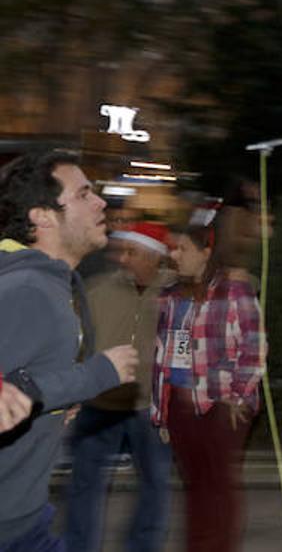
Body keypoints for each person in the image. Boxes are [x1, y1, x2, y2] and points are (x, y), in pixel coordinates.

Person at [0, 150, 137, 550]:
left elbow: (20, 384)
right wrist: (96, 375)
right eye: (83, 195)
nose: (100, 202)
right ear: (41, 216)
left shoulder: (47, 285)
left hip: (24, 519)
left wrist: (58, 400)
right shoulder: (26, 290)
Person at [150, 220, 266, 552]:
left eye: (182, 248)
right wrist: (162, 409)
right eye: (172, 247)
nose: (174, 254)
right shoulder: (171, 294)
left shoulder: (233, 290)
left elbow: (254, 345)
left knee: (218, 488)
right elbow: (167, 355)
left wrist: (239, 397)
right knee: (196, 487)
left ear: (205, 252)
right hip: (181, 407)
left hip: (221, 405)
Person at [66, 222, 174, 552]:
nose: (123, 259)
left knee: (155, 485)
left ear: (155, 258)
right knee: (84, 486)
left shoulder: (175, 293)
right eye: (123, 251)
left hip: (149, 407)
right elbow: (78, 342)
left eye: (133, 253)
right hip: (100, 403)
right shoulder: (97, 289)